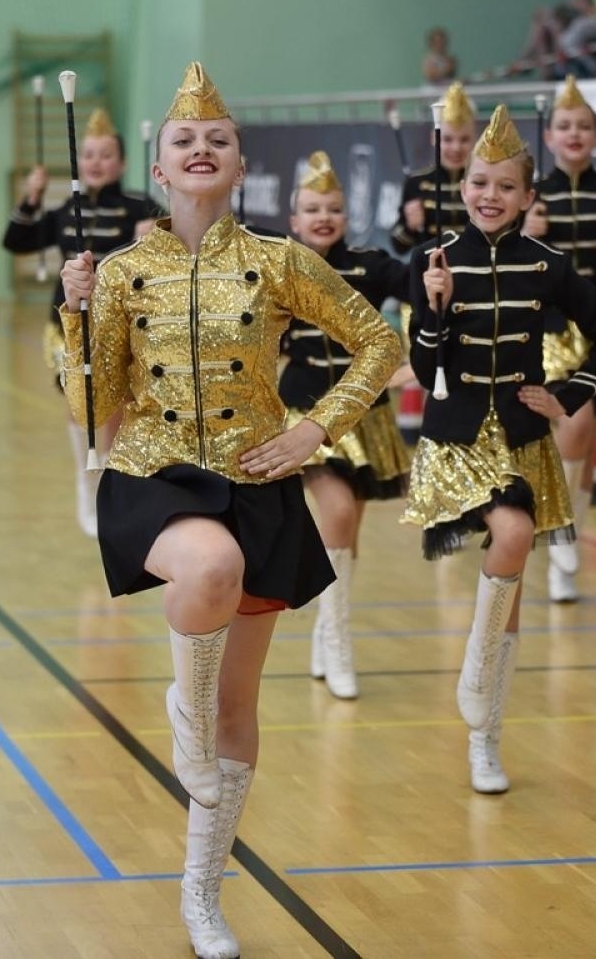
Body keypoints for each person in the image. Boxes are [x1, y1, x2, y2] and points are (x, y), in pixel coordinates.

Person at [57, 64, 400, 959]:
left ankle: (202, 895)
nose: (201, 149)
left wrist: (316, 429)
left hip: (258, 478)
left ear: (241, 164)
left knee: (239, 713)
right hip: (155, 476)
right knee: (209, 572)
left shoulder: (282, 261)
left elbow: (378, 341)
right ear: (159, 170)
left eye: (218, 139)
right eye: (183, 141)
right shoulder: (125, 272)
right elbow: (89, 407)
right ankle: (182, 700)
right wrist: (73, 315)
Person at [403, 106, 596, 793]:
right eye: (478, 183)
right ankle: (475, 675)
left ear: (530, 198)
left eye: (505, 187)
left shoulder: (548, 264)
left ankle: (486, 738)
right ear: (463, 186)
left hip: (524, 435)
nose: (489, 196)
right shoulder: (433, 261)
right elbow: (422, 366)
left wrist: (570, 392)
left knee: (515, 578)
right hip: (458, 437)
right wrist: (434, 308)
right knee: (515, 532)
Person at [282, 151, 410, 699]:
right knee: (334, 512)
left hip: (364, 411)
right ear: (294, 219)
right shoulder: (281, 265)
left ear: (347, 215)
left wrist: (411, 365)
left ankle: (324, 630)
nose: (323, 217)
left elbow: (428, 297)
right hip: (306, 411)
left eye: (333, 208)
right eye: (312, 208)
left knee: (348, 529)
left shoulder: (371, 264)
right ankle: (338, 640)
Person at [3, 107, 159, 538]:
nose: (95, 162)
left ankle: (111, 483)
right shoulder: (62, 210)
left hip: (124, 324)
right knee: (83, 403)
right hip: (70, 324)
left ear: (123, 163)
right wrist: (30, 198)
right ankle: (85, 478)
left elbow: (178, 254)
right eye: (88, 154)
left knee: (115, 409)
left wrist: (155, 236)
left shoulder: (141, 207)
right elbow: (14, 241)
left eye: (106, 155)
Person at [522, 76, 596, 603]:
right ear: (551, 136)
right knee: (576, 421)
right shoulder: (534, 195)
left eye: (584, 125)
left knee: (586, 441)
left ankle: (566, 551)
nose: (574, 133)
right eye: (564, 126)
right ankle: (559, 531)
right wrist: (527, 231)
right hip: (555, 328)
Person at [391, 81, 476, 256]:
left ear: (475, 139)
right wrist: (409, 227)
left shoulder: (485, 182)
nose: (456, 148)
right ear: (434, 138)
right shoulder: (416, 183)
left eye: (464, 139)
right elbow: (398, 246)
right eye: (448, 139)